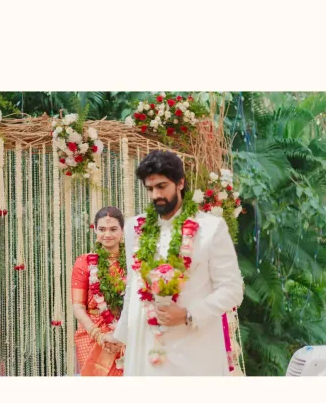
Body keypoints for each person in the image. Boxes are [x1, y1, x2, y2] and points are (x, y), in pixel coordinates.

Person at [103, 150, 243, 376]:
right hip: (146, 344)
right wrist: (121, 335)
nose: (155, 195)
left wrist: (189, 314)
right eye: (150, 189)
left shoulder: (210, 228)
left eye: (161, 186)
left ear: (180, 183)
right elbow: (133, 284)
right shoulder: (134, 228)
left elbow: (232, 290)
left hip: (196, 346)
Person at [72, 206, 126, 376]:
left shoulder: (134, 262)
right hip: (91, 334)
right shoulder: (84, 262)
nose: (107, 234)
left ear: (122, 230)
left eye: (113, 229)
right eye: (102, 229)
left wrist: (123, 333)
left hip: (125, 333)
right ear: (95, 230)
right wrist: (99, 336)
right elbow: (78, 307)